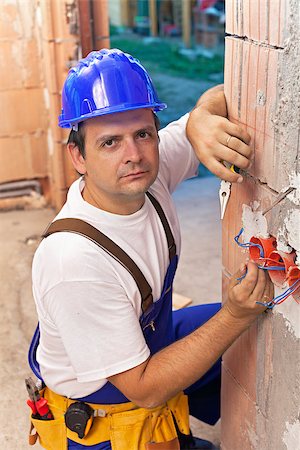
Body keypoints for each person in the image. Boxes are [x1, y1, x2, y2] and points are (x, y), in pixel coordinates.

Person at [28, 48, 273, 450]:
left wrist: (200, 120)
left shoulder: (147, 177)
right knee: (233, 322)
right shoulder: (73, 260)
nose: (134, 154)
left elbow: (220, 94)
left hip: (144, 344)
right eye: (109, 142)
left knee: (259, 327)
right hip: (107, 415)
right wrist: (234, 315)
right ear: (78, 155)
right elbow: (143, 388)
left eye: (143, 133)